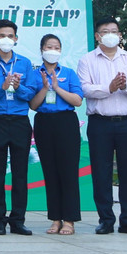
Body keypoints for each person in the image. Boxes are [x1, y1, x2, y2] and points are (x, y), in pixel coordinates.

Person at [77, 17, 127, 235]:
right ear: (97, 36)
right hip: (100, 123)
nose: (110, 34)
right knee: (101, 172)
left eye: (114, 31)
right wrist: (108, 87)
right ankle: (106, 219)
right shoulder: (87, 60)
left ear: (120, 35)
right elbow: (85, 89)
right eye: (105, 31)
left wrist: (125, 87)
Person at [0, 19, 38, 235]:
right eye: (2, 36)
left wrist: (18, 88)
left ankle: (18, 219)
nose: (6, 40)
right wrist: (2, 88)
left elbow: (31, 94)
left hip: (20, 122)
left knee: (21, 173)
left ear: (16, 39)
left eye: (10, 36)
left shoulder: (25, 63)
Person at [29, 33, 84, 235]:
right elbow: (33, 105)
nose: (53, 51)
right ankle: (55, 218)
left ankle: (69, 219)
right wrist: (45, 88)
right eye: (49, 47)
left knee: (68, 172)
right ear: (42, 50)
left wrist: (57, 88)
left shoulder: (68, 73)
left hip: (66, 122)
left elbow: (77, 100)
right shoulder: (35, 74)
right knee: (50, 172)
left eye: (56, 47)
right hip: (44, 123)